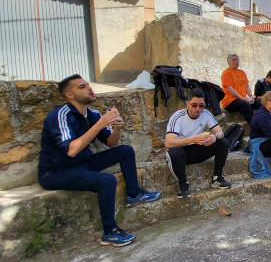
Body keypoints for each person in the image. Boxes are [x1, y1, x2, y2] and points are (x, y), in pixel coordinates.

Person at [38, 74, 161, 247]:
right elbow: (71, 150)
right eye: (81, 87)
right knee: (107, 181)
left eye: (88, 84)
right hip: (56, 172)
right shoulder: (60, 115)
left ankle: (134, 194)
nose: (89, 88)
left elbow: (111, 142)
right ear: (69, 95)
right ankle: (110, 232)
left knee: (125, 150)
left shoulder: (93, 114)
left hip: (83, 163)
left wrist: (116, 128)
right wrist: (100, 124)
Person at [165, 89, 232, 199]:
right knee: (173, 152)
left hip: (198, 149)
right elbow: (168, 142)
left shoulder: (206, 114)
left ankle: (217, 179)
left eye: (201, 106)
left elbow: (220, 132)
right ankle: (183, 184)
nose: (198, 109)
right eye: (194, 105)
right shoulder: (178, 116)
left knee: (223, 142)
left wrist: (214, 137)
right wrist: (192, 139)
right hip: (183, 152)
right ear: (187, 104)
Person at [221, 54, 254, 124]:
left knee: (257, 103)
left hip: (241, 99)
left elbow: (247, 86)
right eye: (234, 60)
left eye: (237, 60)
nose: (236, 61)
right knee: (245, 104)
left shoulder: (242, 72)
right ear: (228, 62)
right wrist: (243, 99)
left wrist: (250, 96)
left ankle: (263, 123)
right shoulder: (226, 73)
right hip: (229, 101)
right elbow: (230, 89)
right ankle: (254, 127)